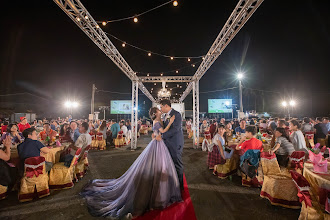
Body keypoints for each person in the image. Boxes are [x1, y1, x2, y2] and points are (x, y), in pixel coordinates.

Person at [81, 106, 182, 218]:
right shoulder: (156, 121)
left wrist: (157, 134)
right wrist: (169, 123)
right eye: (159, 109)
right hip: (158, 145)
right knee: (157, 166)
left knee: (160, 167)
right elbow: (161, 131)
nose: (160, 110)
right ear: (156, 112)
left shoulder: (160, 120)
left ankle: (159, 192)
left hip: (160, 144)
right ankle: (156, 194)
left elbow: (157, 133)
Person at [159, 99, 185, 190]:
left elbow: (176, 129)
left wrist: (162, 136)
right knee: (170, 164)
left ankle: (180, 187)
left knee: (177, 164)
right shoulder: (165, 115)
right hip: (167, 143)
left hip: (175, 143)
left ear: (166, 106)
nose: (160, 108)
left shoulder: (176, 114)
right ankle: (173, 184)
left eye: (161, 106)